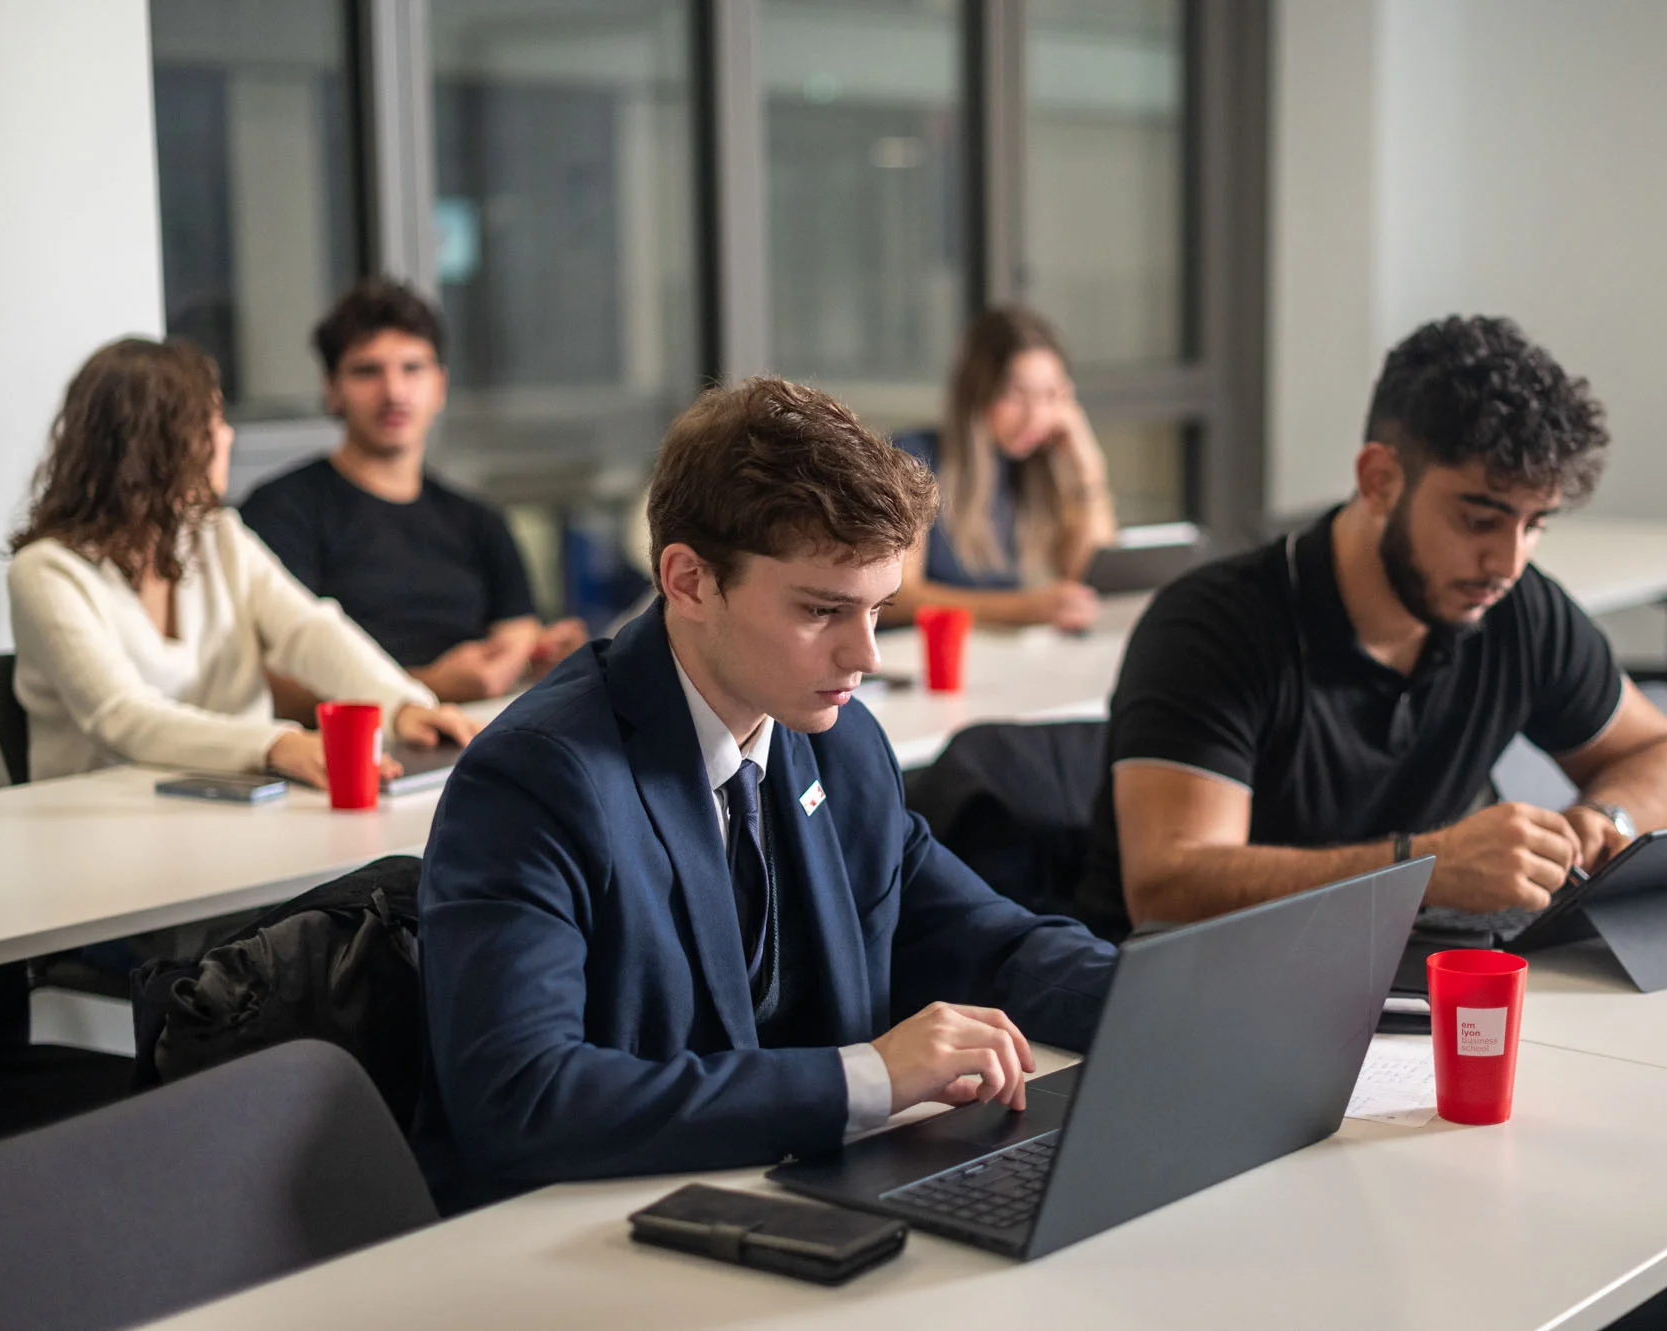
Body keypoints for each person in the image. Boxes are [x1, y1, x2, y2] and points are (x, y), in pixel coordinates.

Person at [412, 376, 1119, 1212]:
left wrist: (1177, 1008)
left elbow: (989, 942)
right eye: (824, 610)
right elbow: (523, 1096)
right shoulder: (537, 778)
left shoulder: (840, 740)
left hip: (791, 1200)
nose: (868, 656)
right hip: (590, 1241)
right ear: (688, 581)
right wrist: (870, 1077)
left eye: (878, 609)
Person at [1073, 315, 1667, 943]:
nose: (1508, 563)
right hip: (1182, 994)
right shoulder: (1212, 627)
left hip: (1387, 977)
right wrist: (1424, 869)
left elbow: (1659, 752)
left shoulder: (1515, 607)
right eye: (1479, 518)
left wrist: (1606, 819)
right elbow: (1168, 887)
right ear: (1379, 480)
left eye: (1535, 525)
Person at [7, 338, 479, 785]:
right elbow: (121, 716)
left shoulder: (216, 536)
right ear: (155, 445)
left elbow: (307, 630)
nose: (227, 435)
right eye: (211, 420)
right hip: (103, 831)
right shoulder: (46, 571)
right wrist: (278, 744)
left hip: (238, 808)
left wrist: (401, 705)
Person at [239, 279, 589, 704]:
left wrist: (542, 659)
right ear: (332, 391)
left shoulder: (479, 521)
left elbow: (516, 634)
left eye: (412, 368)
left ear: (440, 386)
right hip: (353, 751)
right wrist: (426, 687)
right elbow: (268, 683)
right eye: (367, 371)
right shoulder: (281, 511)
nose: (394, 392)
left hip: (482, 734)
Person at [889, 306, 1117, 631]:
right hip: (919, 658)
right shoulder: (913, 460)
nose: (1035, 417)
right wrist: (1024, 608)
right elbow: (897, 597)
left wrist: (1089, 467)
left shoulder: (1028, 466)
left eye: (1050, 395)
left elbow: (1085, 572)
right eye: (1016, 394)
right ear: (977, 393)